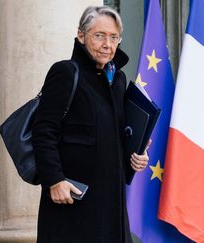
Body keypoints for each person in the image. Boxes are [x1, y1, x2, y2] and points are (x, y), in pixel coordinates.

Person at [32, 6, 150, 243]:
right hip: (73, 202)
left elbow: (117, 136)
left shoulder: (118, 80)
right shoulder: (65, 72)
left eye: (114, 37)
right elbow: (44, 130)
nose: (108, 44)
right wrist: (54, 180)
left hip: (111, 206)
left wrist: (136, 155)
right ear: (81, 36)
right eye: (99, 35)